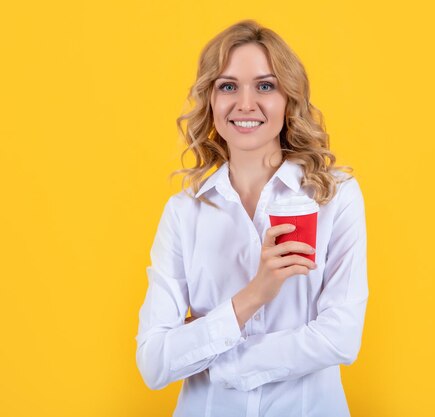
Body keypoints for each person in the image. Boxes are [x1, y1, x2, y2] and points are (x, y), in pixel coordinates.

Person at [135, 19, 369, 417]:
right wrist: (255, 294)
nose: (245, 104)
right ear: (211, 99)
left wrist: (215, 355)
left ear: (288, 99)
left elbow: (339, 339)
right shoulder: (184, 212)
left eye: (265, 85)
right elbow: (155, 363)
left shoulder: (334, 196)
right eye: (228, 86)